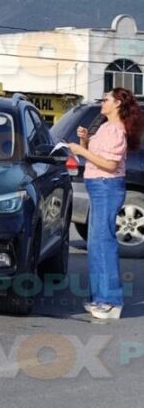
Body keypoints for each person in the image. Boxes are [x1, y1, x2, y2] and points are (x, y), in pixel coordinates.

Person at [67, 87, 144, 320]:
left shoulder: (117, 131)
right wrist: (84, 139)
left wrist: (80, 149)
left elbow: (109, 165)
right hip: (97, 186)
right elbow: (95, 153)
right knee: (96, 244)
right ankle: (100, 298)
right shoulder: (104, 126)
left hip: (107, 187)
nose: (103, 102)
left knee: (104, 244)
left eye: (107, 99)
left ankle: (111, 301)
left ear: (118, 103)